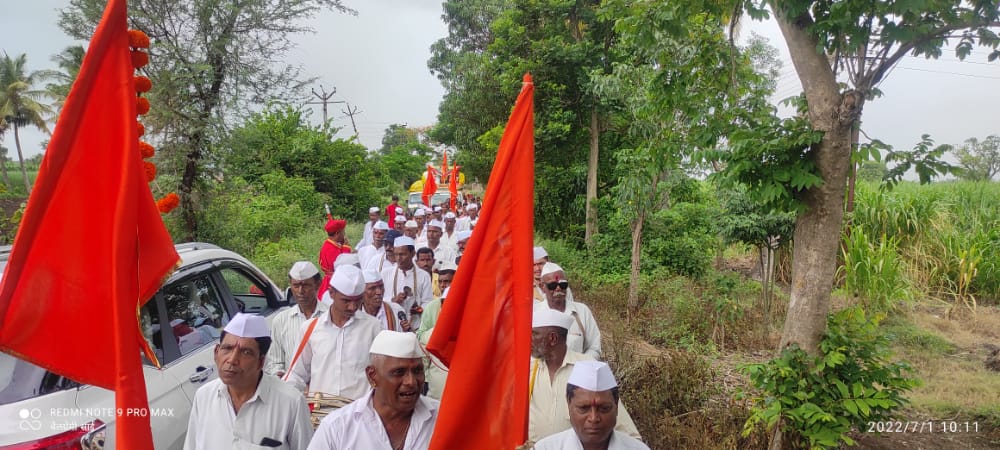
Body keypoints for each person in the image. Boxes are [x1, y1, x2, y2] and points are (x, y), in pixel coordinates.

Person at [184, 313, 313, 450]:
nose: (232, 360)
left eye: (245, 352)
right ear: (216, 352)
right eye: (227, 348)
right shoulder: (204, 396)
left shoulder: (291, 403)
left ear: (261, 362)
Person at [307, 331, 439, 450]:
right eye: (399, 372)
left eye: (417, 371)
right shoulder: (337, 427)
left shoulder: (442, 419)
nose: (411, 381)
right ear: (372, 376)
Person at [528, 309, 639, 443]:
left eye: (534, 334)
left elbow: (627, 433)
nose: (529, 340)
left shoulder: (589, 369)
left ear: (552, 338)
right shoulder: (529, 369)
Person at [285, 266, 382, 401]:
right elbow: (297, 374)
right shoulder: (310, 328)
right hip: (320, 414)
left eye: (358, 300)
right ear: (331, 293)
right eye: (346, 301)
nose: (352, 307)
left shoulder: (374, 327)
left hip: (359, 415)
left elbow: (382, 373)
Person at [533, 361, 650, 450]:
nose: (594, 418)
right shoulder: (545, 448)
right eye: (583, 408)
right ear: (569, 404)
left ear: (616, 405)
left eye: (604, 408)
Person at [266, 262, 329, 377]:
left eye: (306, 285)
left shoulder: (330, 316)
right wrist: (280, 376)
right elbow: (275, 361)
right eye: (296, 286)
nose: (300, 291)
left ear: (318, 284)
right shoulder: (281, 320)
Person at [535, 262, 602, 359]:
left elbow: (594, 348)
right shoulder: (535, 314)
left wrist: (580, 365)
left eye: (563, 284)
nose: (558, 288)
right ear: (542, 287)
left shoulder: (582, 311)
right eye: (552, 285)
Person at [380, 236, 433, 330]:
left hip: (415, 326)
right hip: (392, 325)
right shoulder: (385, 273)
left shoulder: (423, 276)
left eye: (402, 254)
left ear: (413, 254)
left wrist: (420, 309)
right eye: (396, 254)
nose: (398, 258)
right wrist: (393, 300)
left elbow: (427, 302)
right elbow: (379, 300)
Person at [318, 219, 351, 299]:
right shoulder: (331, 249)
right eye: (343, 232)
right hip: (334, 282)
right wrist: (346, 247)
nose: (344, 234)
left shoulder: (330, 244)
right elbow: (343, 265)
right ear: (337, 233)